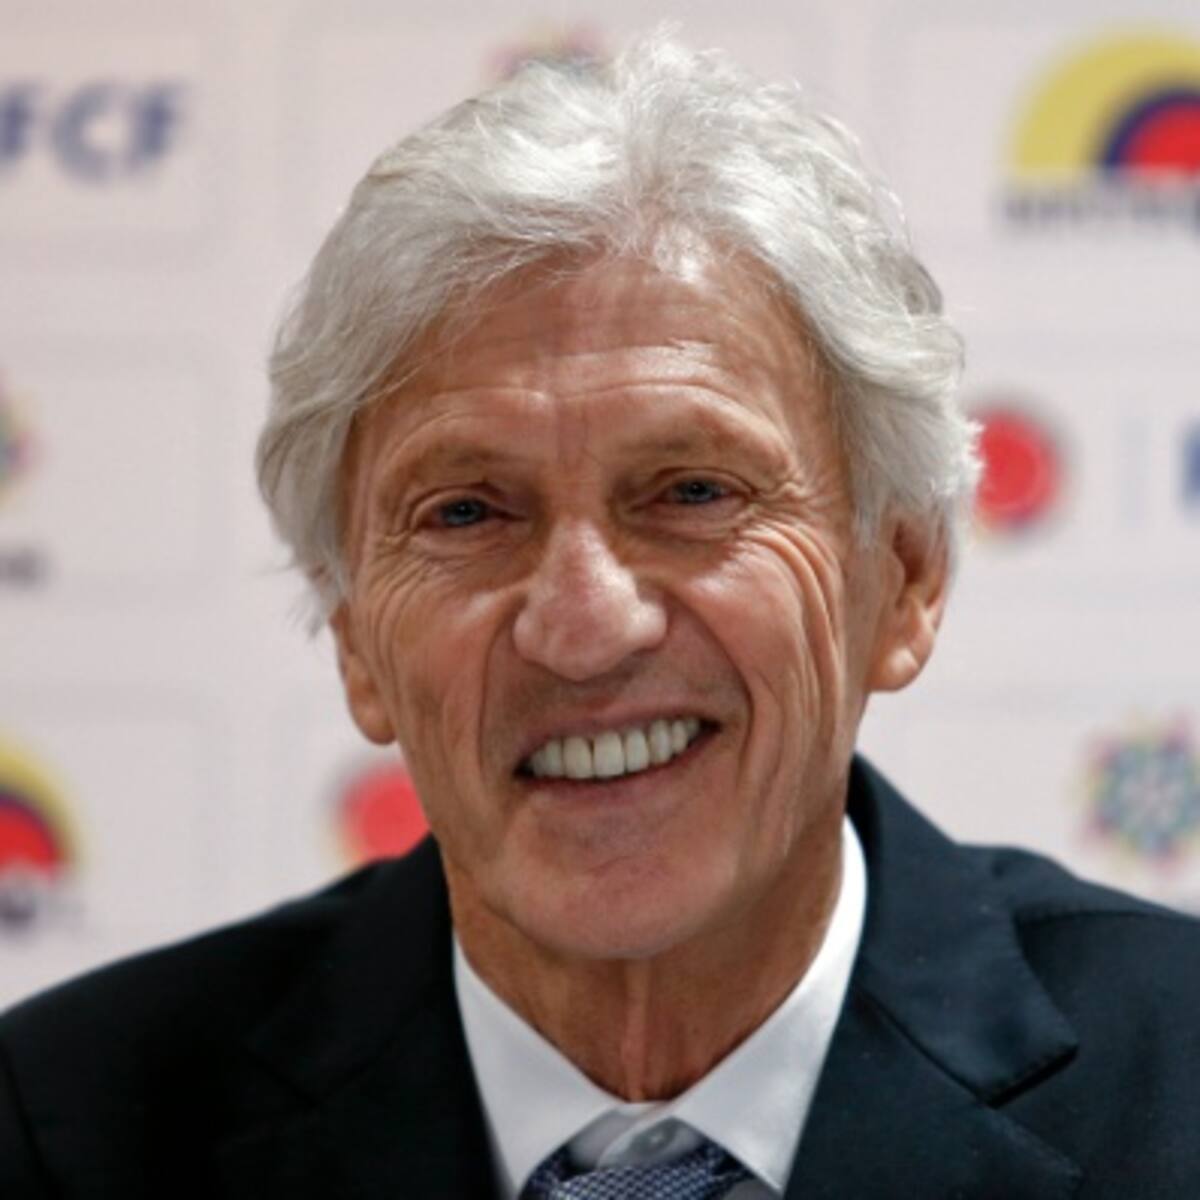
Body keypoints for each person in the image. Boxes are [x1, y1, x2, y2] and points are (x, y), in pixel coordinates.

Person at [2, 33, 1198, 1199]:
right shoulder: (65, 1128)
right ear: (356, 636)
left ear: (904, 576)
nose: (584, 626)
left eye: (692, 493)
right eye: (468, 513)